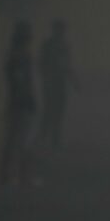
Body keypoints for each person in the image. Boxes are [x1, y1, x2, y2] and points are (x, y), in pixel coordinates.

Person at [2, 20, 38, 185]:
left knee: (25, 140)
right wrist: (26, 97)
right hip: (21, 103)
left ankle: (24, 175)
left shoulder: (21, 56)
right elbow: (19, 81)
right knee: (18, 140)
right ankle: (12, 175)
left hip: (22, 102)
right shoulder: (19, 57)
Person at [38, 19, 77, 149]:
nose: (62, 33)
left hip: (59, 83)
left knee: (58, 111)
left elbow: (67, 66)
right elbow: (42, 65)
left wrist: (73, 81)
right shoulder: (49, 46)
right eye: (60, 30)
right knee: (49, 111)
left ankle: (53, 137)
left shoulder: (63, 46)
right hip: (51, 83)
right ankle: (44, 137)